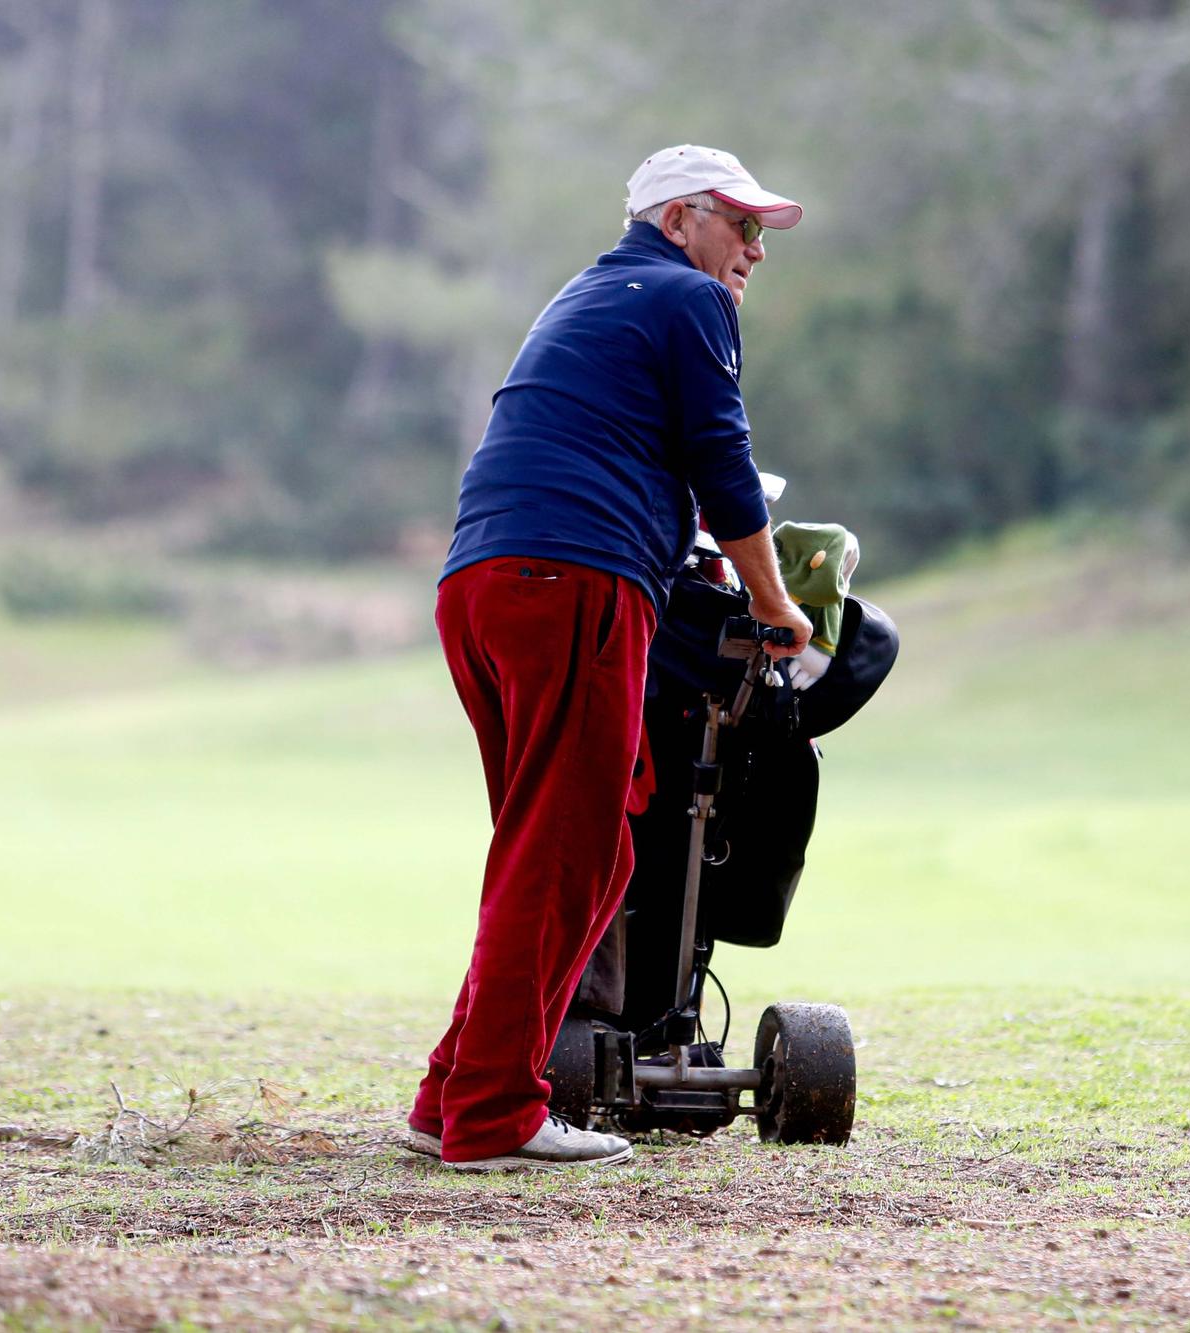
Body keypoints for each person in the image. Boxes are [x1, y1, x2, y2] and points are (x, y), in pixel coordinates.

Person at [406, 145, 813, 1172]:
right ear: (677, 220)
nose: (756, 249)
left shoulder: (596, 291)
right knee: (566, 850)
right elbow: (721, 464)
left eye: (763, 231)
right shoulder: (683, 298)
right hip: (570, 580)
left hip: (485, 583)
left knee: (576, 847)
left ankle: (450, 1094)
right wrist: (777, 607)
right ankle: (493, 1115)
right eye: (741, 224)